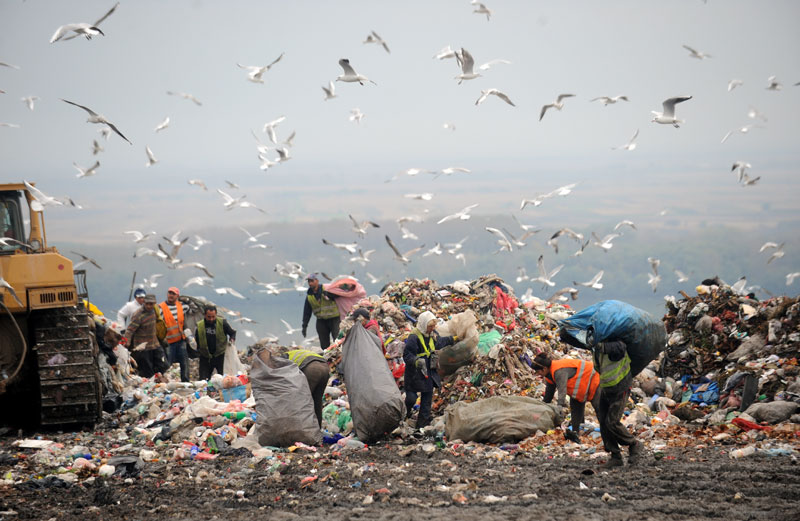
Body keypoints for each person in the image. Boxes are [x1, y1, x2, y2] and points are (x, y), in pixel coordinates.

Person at [575, 328, 642, 468]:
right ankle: (615, 456)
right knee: (603, 422)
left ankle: (633, 444)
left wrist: (599, 345)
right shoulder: (597, 350)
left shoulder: (616, 343)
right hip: (605, 387)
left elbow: (618, 348)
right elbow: (599, 367)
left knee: (612, 422)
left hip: (621, 387)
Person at [402, 310, 457, 429]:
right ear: (423, 325)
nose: (432, 328)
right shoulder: (414, 337)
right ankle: (404, 414)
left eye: (433, 326)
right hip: (415, 372)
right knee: (411, 398)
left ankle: (422, 425)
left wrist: (453, 339)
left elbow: (439, 343)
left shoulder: (433, 334)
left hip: (428, 371)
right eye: (430, 326)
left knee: (427, 398)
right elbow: (407, 355)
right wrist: (416, 361)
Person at [532, 353, 600, 443]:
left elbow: (562, 390)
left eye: (537, 372)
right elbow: (548, 395)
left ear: (544, 369)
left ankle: (608, 432)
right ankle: (577, 433)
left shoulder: (558, 371)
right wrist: (542, 409)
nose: (537, 374)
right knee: (575, 409)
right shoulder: (549, 375)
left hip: (593, 379)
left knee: (599, 409)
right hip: (580, 388)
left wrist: (560, 406)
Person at [284, 348, 330, 427]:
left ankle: (302, 429)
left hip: (311, 368)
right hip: (325, 367)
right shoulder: (295, 353)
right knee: (317, 401)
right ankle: (317, 429)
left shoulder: (282, 358)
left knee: (302, 402)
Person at [124, 294, 165, 378]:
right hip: (143, 347)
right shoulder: (138, 314)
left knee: (163, 364)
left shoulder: (155, 310)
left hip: (154, 344)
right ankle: (150, 386)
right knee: (147, 372)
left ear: (154, 303)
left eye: (151, 304)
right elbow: (130, 330)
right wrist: (126, 342)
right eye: (147, 304)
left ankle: (156, 378)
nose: (149, 306)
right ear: (144, 303)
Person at [194, 304, 237, 380]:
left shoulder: (222, 323)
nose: (211, 319)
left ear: (216, 315)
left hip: (220, 356)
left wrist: (232, 339)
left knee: (223, 379)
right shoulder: (200, 326)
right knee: (203, 380)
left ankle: (220, 392)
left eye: (213, 317)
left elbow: (232, 333)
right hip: (205, 357)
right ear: (204, 315)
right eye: (209, 317)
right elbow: (197, 340)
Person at [301, 273, 340, 350]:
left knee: (337, 340)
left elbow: (338, 295)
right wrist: (304, 326)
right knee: (324, 344)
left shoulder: (327, 289)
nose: (310, 283)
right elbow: (307, 312)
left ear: (317, 281)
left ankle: (340, 357)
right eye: (309, 281)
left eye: (312, 281)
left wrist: (330, 295)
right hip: (321, 321)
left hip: (334, 319)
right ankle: (327, 359)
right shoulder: (309, 296)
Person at [159, 287, 189, 382]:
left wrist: (186, 299)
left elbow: (192, 306)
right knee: (168, 364)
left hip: (180, 340)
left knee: (184, 362)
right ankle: (167, 382)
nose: (171, 295)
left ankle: (185, 382)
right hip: (168, 342)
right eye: (169, 293)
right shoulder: (161, 307)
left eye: (173, 294)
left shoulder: (182, 306)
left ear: (177, 296)